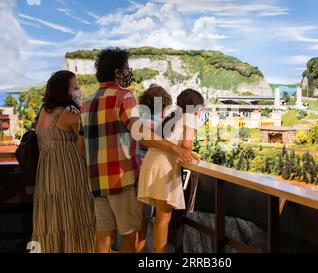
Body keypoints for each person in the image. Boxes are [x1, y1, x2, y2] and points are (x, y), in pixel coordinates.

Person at [79, 47, 199, 253]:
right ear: (117, 72)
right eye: (126, 68)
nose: (129, 72)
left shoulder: (87, 103)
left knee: (103, 236)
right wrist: (175, 148)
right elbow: (141, 134)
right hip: (122, 179)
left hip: (96, 179)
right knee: (130, 234)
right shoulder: (123, 97)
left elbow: (80, 147)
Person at [32, 70, 95, 253]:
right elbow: (88, 140)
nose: (78, 90)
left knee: (52, 217)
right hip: (69, 171)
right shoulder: (68, 113)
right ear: (64, 91)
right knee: (75, 215)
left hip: (47, 173)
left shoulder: (43, 111)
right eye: (75, 87)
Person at [138, 89, 204, 253]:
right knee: (163, 217)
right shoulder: (191, 118)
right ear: (196, 108)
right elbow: (186, 145)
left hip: (151, 161)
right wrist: (190, 149)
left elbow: (169, 140)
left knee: (157, 217)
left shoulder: (173, 116)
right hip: (164, 165)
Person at [136, 84, 173, 253]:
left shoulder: (138, 122)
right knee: (153, 218)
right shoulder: (162, 125)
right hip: (152, 177)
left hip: (136, 173)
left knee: (139, 222)